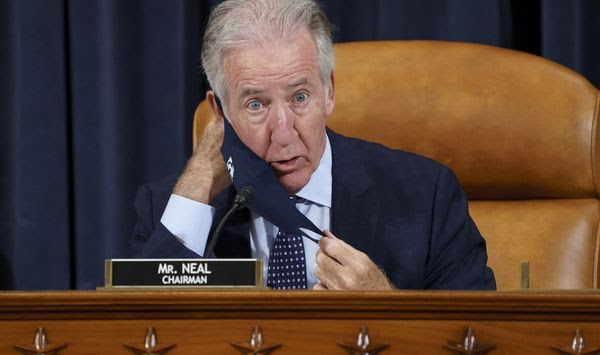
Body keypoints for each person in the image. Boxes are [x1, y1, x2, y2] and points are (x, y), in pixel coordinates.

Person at [131, 0, 496, 291]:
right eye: (255, 104)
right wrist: (197, 183)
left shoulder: (427, 197)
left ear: (330, 92)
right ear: (220, 111)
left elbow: (478, 340)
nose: (284, 132)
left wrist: (383, 306)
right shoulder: (172, 209)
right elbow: (139, 334)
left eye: (300, 97)